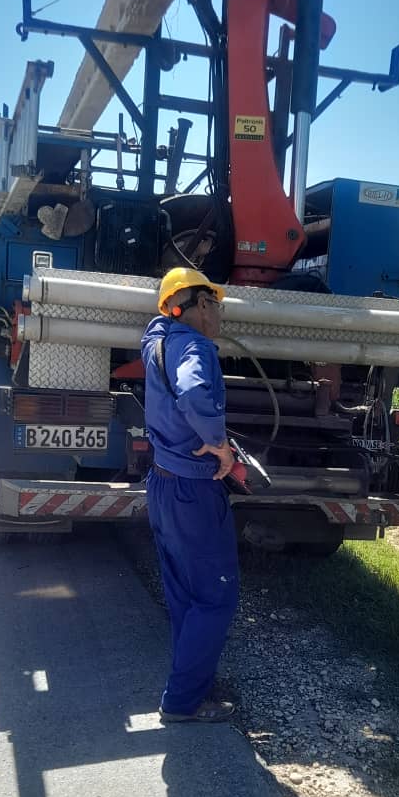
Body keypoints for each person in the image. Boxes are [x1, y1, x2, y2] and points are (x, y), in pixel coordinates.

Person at [141, 267, 239, 723]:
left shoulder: (156, 342)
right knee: (216, 597)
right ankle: (181, 701)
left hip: (163, 482)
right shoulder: (194, 345)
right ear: (199, 305)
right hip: (193, 490)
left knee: (183, 593)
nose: (219, 313)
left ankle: (192, 680)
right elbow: (195, 392)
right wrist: (219, 442)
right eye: (216, 303)